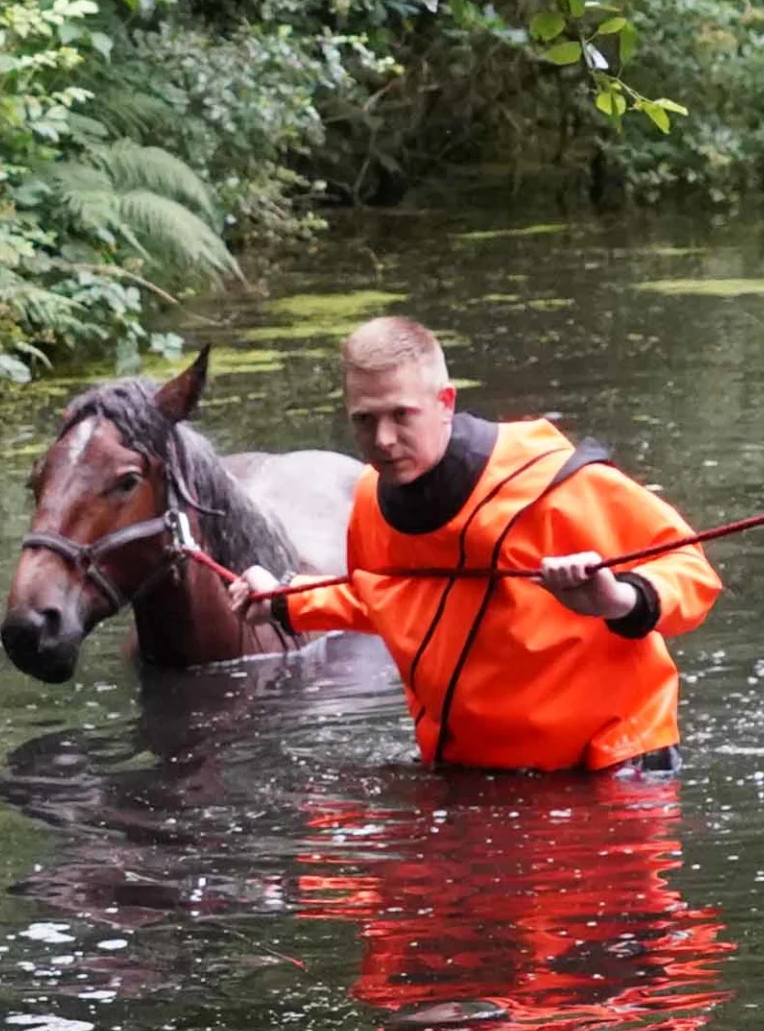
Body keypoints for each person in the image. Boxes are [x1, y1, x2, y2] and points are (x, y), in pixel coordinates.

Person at [236, 317, 724, 772]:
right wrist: (282, 601)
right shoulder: (371, 500)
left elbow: (692, 569)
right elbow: (394, 601)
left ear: (445, 402)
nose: (383, 439)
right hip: (474, 766)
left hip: (612, 760)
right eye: (364, 420)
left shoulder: (550, 481)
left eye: (402, 415)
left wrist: (618, 599)